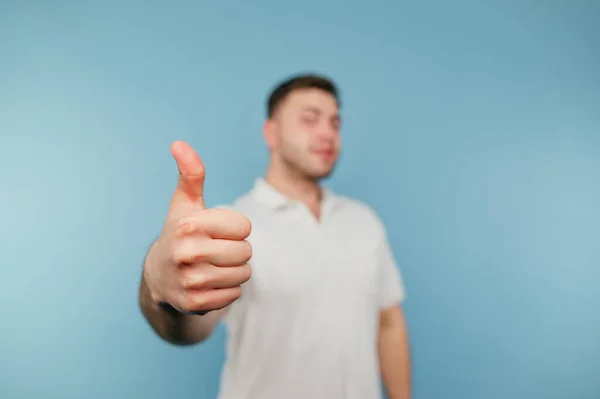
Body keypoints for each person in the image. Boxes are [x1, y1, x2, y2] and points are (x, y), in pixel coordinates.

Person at [138, 74, 411, 399]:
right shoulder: (229, 227)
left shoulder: (363, 221)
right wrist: (161, 290)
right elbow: (189, 329)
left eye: (335, 123)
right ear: (271, 132)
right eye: (310, 119)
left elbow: (389, 321)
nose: (327, 133)